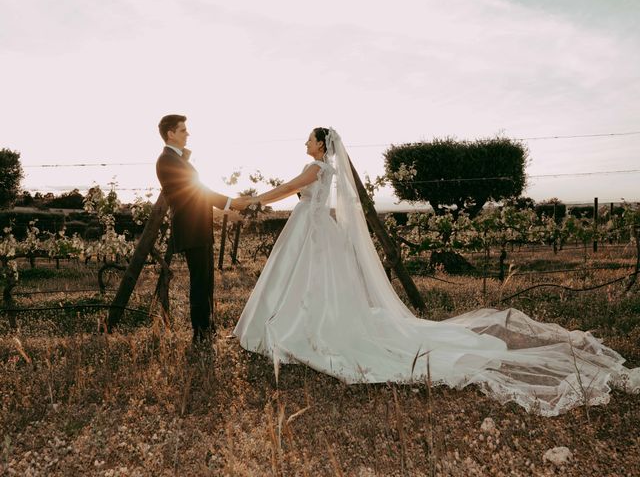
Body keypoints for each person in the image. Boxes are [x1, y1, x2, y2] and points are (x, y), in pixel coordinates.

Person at [232, 127, 639, 416]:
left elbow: (286, 190)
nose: (304, 142)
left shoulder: (318, 170)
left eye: (308, 138)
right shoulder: (326, 170)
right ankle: (302, 322)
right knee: (311, 283)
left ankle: (299, 328)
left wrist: (248, 201)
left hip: (312, 230)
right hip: (313, 229)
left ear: (321, 145)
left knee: (307, 281)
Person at [156, 114, 242, 345]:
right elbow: (197, 191)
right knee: (200, 283)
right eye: (183, 130)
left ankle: (207, 330)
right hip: (191, 228)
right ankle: (201, 335)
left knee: (206, 282)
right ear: (170, 134)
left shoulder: (178, 159)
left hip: (198, 227)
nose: (188, 134)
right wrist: (230, 203)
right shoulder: (167, 161)